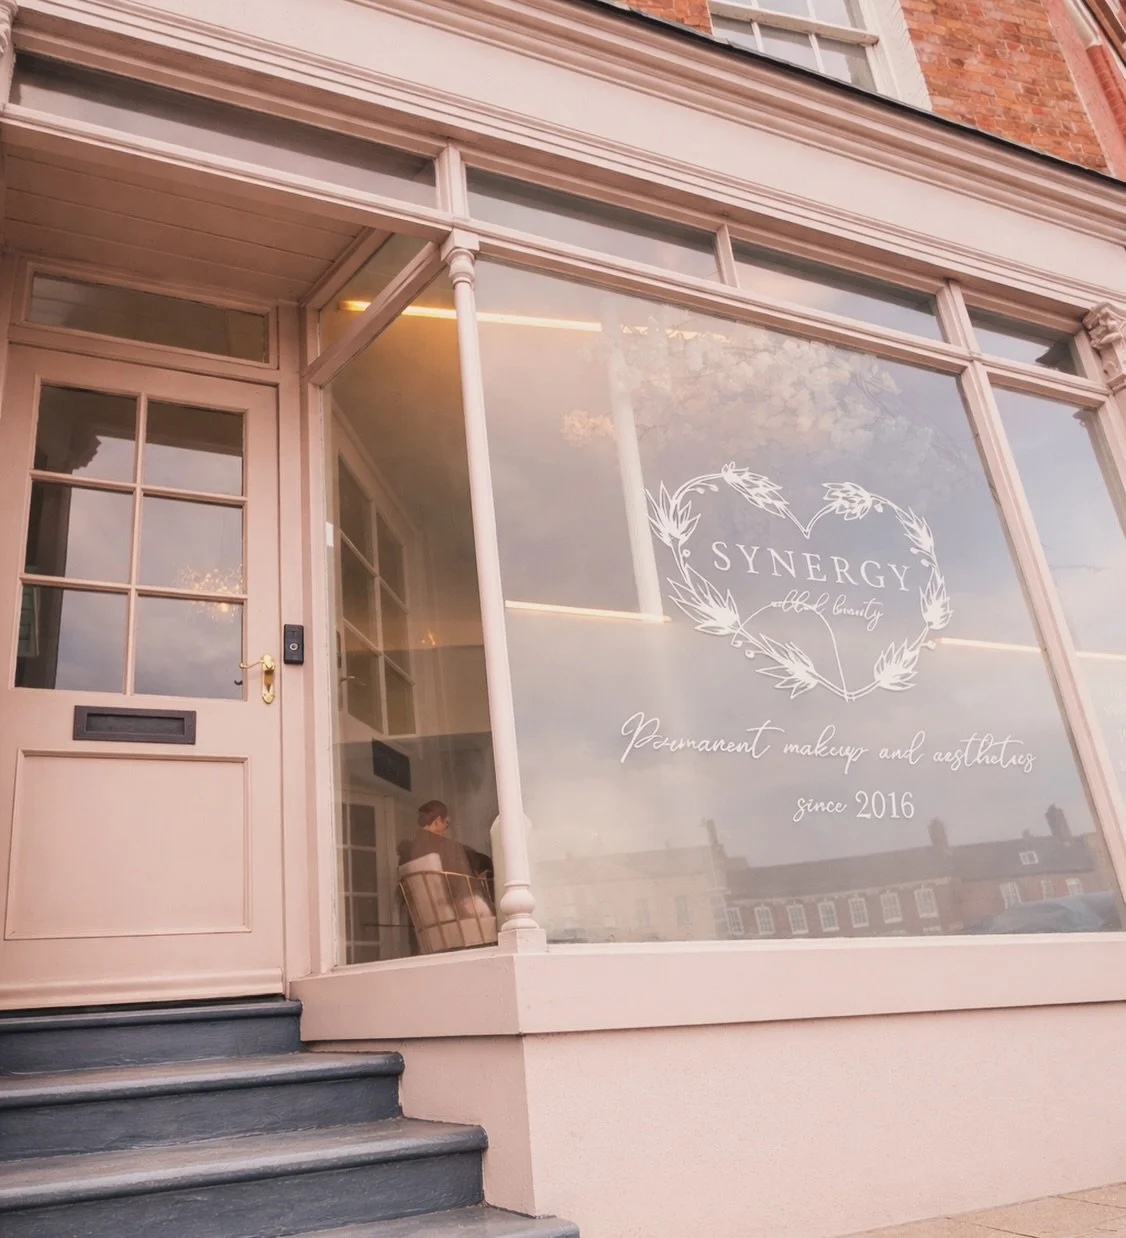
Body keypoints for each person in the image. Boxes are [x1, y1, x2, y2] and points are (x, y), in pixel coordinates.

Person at [398, 800, 492, 880]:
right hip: (449, 898)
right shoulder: (442, 846)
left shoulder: (410, 851)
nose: (446, 829)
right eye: (447, 823)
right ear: (438, 821)